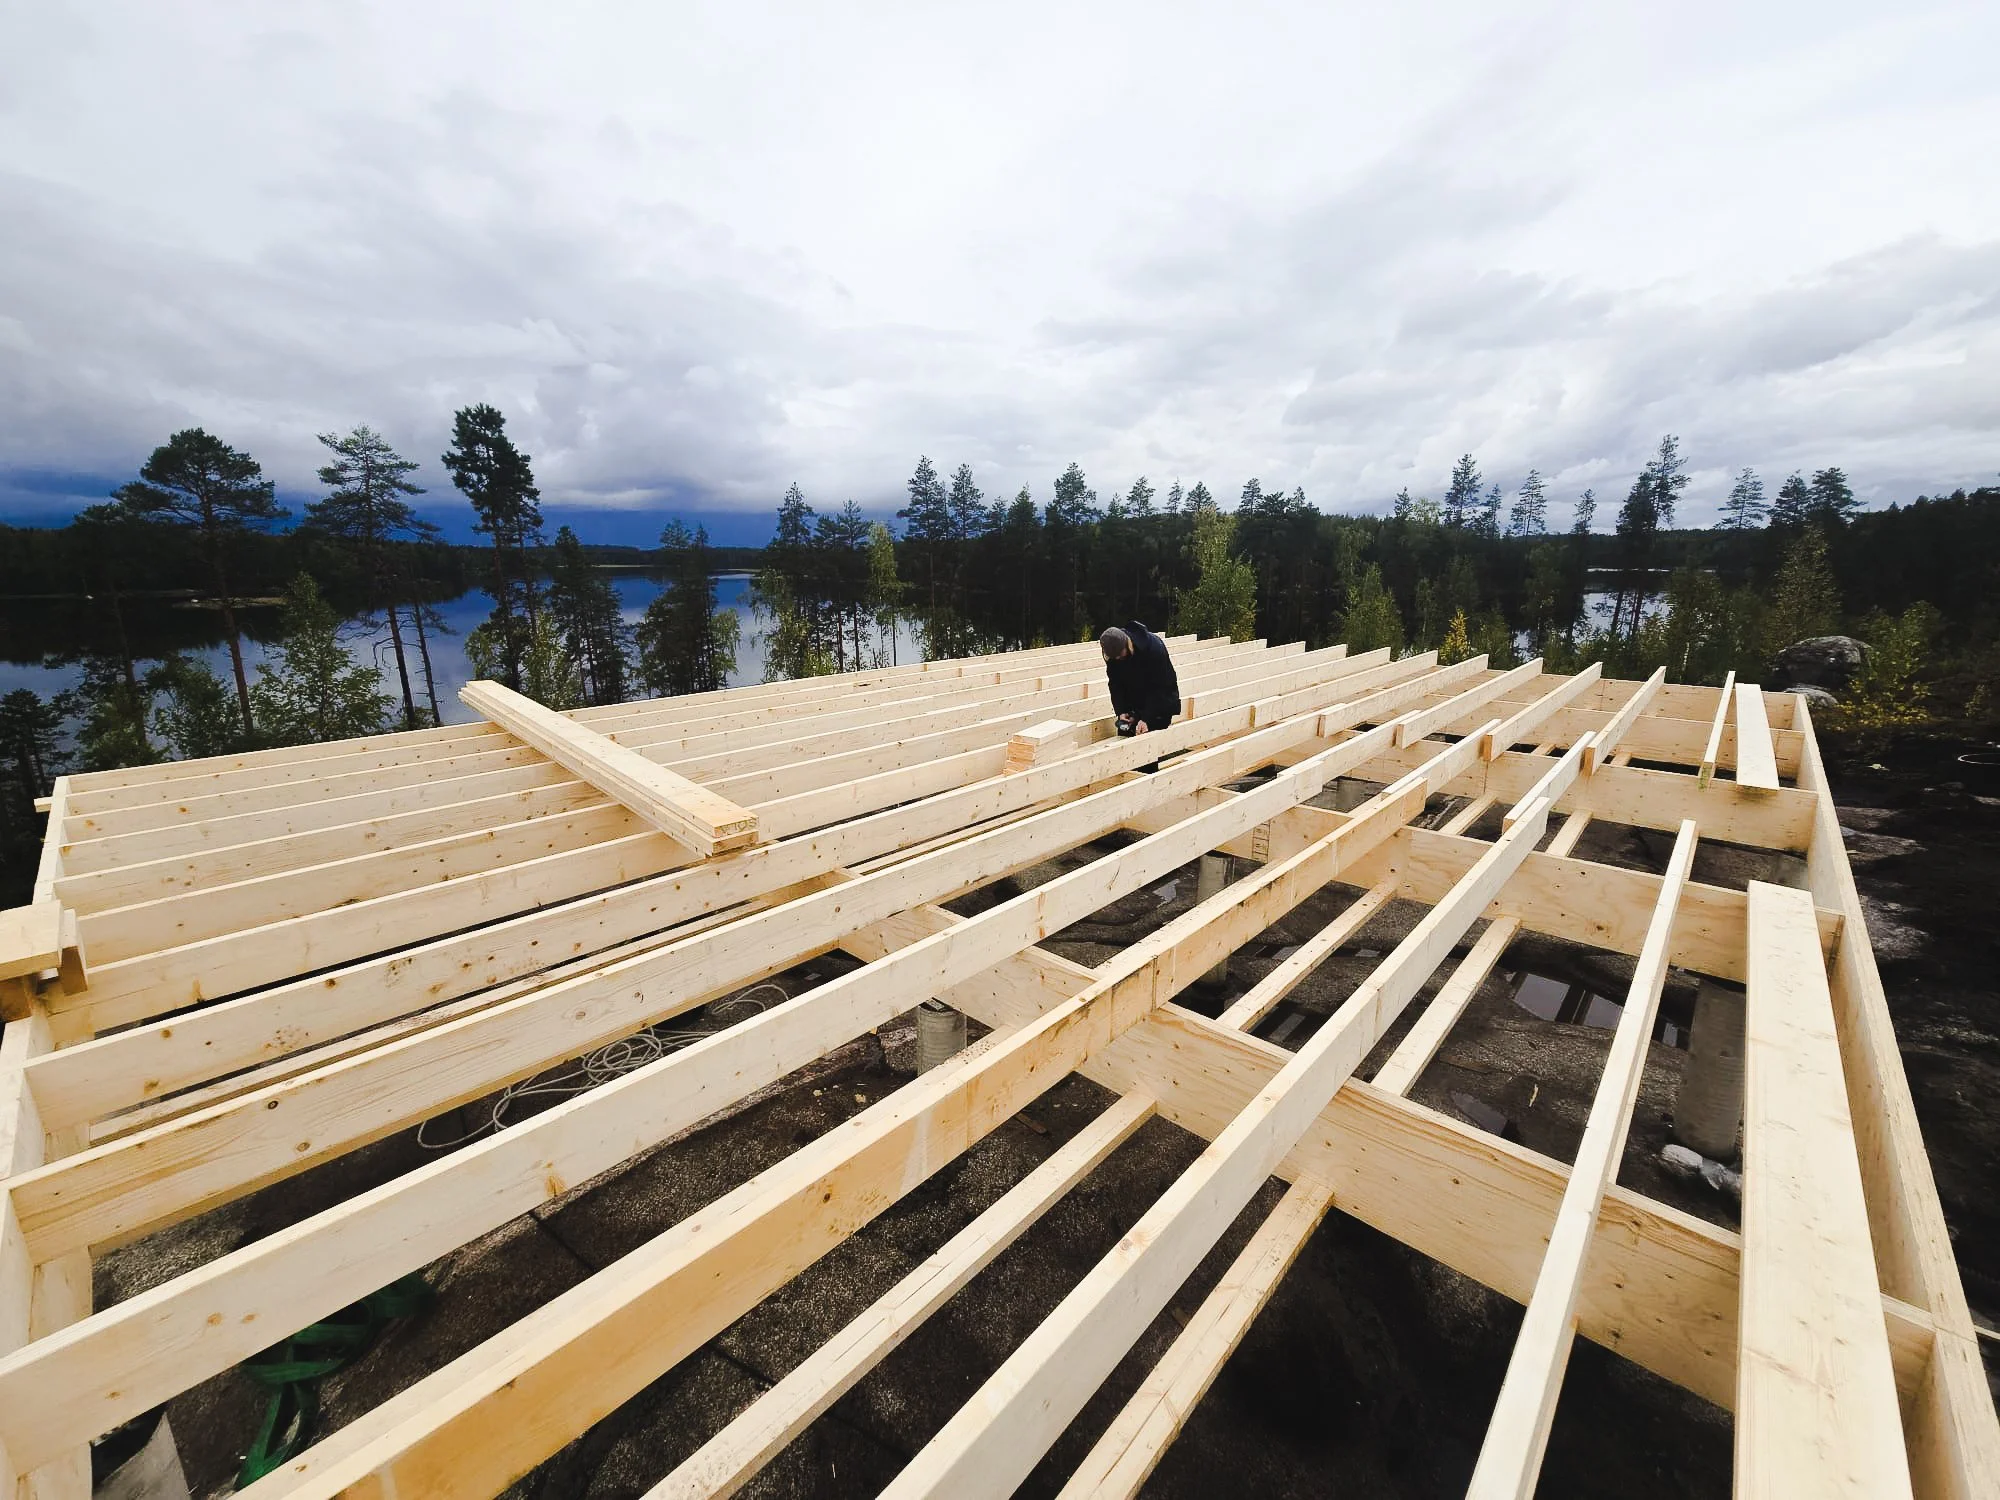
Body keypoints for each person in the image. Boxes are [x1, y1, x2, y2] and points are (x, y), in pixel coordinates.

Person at [1100, 622, 1180, 740]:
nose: (1118, 659)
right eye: (1114, 658)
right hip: (1135, 699)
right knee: (1124, 739)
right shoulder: (1112, 654)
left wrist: (1147, 718)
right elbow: (1115, 684)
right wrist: (1122, 711)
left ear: (1127, 644)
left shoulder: (1154, 648)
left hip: (1160, 703)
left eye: (1121, 656)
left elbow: (1161, 688)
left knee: (1148, 744)